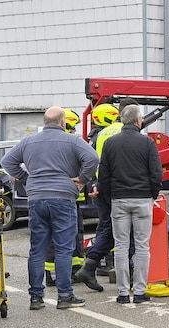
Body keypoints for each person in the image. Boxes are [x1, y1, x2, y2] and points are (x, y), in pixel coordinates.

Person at [1, 106, 99, 310]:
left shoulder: (29, 141)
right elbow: (93, 159)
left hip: (36, 198)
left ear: (44, 122)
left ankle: (36, 297)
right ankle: (64, 296)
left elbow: (7, 161)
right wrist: (81, 179)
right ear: (63, 123)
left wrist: (28, 178)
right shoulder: (72, 140)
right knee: (64, 248)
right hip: (63, 197)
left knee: (37, 248)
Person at [97, 104, 162, 304]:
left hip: (119, 199)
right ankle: (140, 291)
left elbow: (104, 177)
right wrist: (152, 195)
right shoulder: (147, 143)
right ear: (138, 121)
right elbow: (156, 174)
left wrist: (111, 197)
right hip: (142, 198)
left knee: (121, 246)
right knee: (142, 247)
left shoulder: (110, 143)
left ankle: (123, 293)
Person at [75, 101, 126, 292]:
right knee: (116, 228)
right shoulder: (113, 133)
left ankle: (93, 265)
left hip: (101, 186)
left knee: (107, 226)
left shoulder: (98, 136)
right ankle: (101, 265)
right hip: (114, 187)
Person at [44, 109, 85, 286]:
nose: (74, 131)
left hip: (49, 197)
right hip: (67, 198)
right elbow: (89, 161)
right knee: (67, 236)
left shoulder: (48, 144)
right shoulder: (71, 144)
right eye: (72, 127)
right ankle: (66, 274)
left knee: (51, 236)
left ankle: (58, 273)